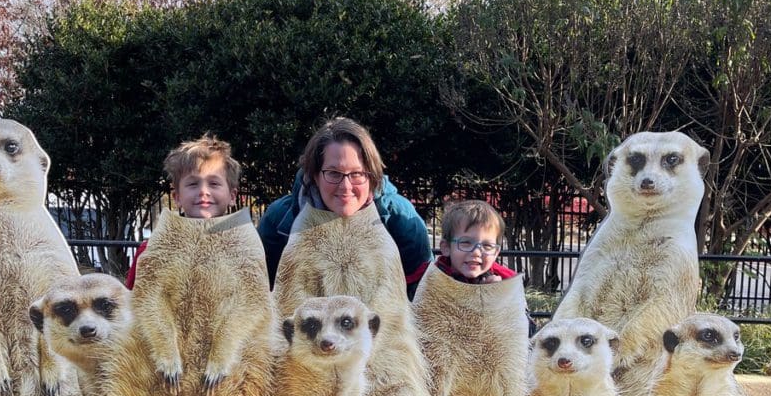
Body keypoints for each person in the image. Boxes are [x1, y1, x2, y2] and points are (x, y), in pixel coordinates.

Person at [257, 117, 432, 299]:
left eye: (357, 173)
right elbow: (260, 296)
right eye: (333, 173)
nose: (346, 186)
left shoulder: (400, 219)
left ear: (371, 175)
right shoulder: (279, 220)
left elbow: (423, 298)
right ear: (315, 175)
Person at [125, 135, 240, 290]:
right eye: (193, 184)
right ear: (177, 197)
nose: (203, 191)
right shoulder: (152, 250)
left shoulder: (244, 250)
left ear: (232, 196)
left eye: (213, 183)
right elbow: (133, 303)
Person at [435, 199, 515, 284]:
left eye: (487, 245)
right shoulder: (429, 280)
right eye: (466, 242)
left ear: (495, 253)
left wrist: (496, 294)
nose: (476, 252)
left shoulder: (507, 282)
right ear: (446, 247)